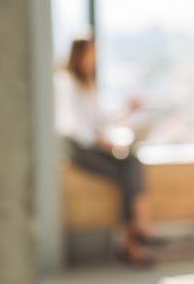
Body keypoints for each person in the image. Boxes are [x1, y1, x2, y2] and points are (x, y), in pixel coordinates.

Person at [55, 36, 158, 267]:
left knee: (131, 166)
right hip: (80, 149)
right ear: (80, 54)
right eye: (91, 53)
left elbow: (100, 121)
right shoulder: (67, 82)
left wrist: (127, 110)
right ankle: (138, 232)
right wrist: (106, 145)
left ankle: (133, 239)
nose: (94, 59)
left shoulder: (87, 83)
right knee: (130, 168)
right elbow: (79, 128)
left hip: (93, 144)